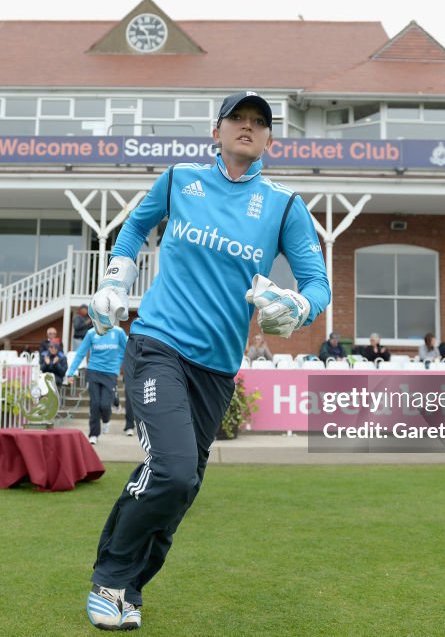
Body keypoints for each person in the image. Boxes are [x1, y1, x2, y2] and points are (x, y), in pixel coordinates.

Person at [82, 91, 329, 631]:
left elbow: (318, 284)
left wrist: (298, 306)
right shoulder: (179, 180)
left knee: (185, 483)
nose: (247, 126)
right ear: (215, 131)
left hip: (217, 370)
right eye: (237, 118)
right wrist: (116, 281)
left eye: (258, 122)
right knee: (170, 470)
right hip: (157, 346)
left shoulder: (284, 206)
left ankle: (129, 590)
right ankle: (110, 578)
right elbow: (131, 230)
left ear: (269, 139)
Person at [65, 325, 129, 443]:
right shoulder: (91, 333)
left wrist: (119, 363)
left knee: (104, 405)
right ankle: (93, 434)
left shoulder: (118, 332)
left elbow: (128, 350)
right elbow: (80, 353)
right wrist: (70, 372)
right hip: (94, 371)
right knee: (94, 404)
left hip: (110, 373)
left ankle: (106, 420)